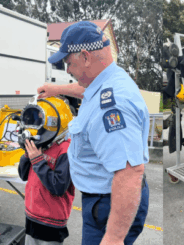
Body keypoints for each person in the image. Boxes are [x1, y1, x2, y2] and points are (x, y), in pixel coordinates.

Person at [37, 21, 150, 245]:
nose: (67, 70)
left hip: (110, 203)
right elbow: (88, 91)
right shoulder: (108, 79)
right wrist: (56, 89)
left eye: (68, 63)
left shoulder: (111, 106)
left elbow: (130, 173)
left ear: (86, 57)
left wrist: (114, 238)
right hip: (104, 200)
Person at [18, 97, 75, 245]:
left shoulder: (65, 150)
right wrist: (27, 154)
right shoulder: (40, 145)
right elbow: (23, 175)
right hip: (31, 215)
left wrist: (37, 160)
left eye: (41, 119)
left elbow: (58, 186)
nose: (37, 124)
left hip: (51, 221)